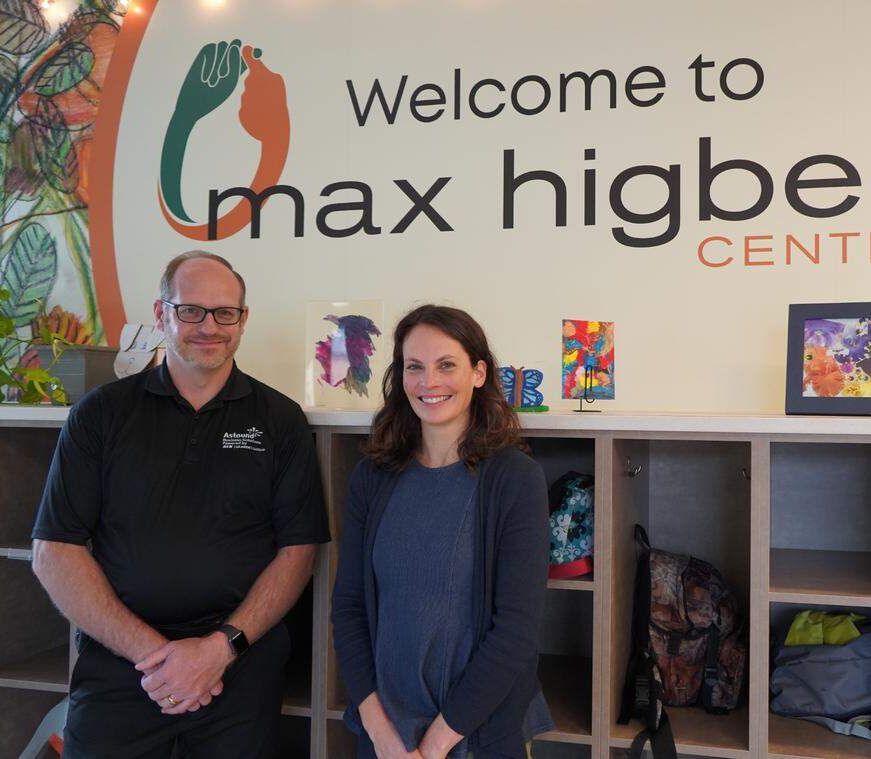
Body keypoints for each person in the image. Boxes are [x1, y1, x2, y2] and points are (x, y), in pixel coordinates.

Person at [31, 251, 330, 758]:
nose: (208, 326)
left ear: (243, 319)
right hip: (122, 670)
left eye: (224, 312)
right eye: (190, 310)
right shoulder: (100, 415)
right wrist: (157, 658)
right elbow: (54, 550)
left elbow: (298, 550)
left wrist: (218, 649)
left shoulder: (280, 420)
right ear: (161, 313)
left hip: (238, 669)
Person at [331, 304, 553, 759]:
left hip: (475, 734)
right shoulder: (373, 477)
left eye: (446, 365)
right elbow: (349, 608)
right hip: (384, 735)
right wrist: (382, 735)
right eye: (415, 367)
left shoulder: (514, 479)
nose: (429, 382)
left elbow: (516, 631)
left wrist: (433, 747)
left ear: (478, 372)